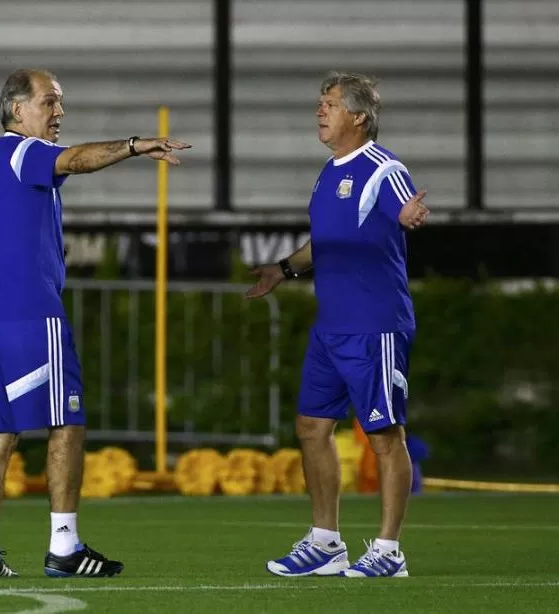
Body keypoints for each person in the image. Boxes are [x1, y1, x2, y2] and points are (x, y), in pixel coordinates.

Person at [0, 68, 190, 578]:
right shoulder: (24, 152)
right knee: (67, 422)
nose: (59, 112)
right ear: (18, 110)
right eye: (50, 102)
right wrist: (134, 145)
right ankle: (64, 547)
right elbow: (77, 160)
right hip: (29, 313)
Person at [245, 71, 429, 579]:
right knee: (311, 427)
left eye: (329, 104)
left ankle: (389, 552)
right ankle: (326, 543)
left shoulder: (383, 167)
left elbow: (407, 209)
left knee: (385, 437)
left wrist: (412, 217)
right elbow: (323, 243)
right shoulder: (329, 172)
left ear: (359, 117)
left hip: (376, 326)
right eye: (320, 103)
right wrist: (282, 270)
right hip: (332, 327)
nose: (319, 111)